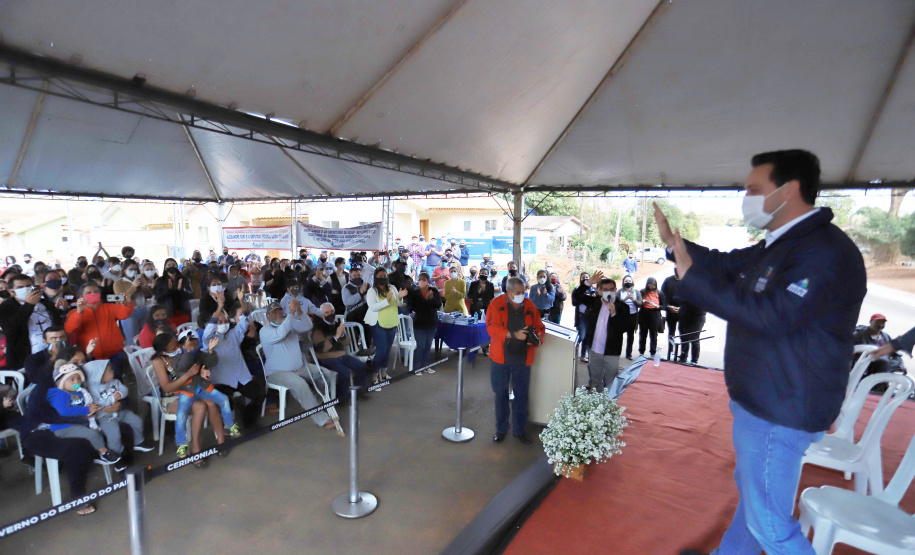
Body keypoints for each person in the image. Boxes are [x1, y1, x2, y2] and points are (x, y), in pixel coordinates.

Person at [662, 150, 867, 555]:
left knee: (771, 526)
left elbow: (772, 315)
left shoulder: (822, 253)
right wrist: (676, 247)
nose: (746, 196)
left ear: (789, 190)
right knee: (755, 500)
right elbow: (725, 265)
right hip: (767, 397)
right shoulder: (783, 244)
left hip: (783, 404)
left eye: (754, 189)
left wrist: (690, 279)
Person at [151, 331, 236, 463]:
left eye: (178, 345)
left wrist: (200, 372)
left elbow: (198, 370)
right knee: (200, 407)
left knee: (212, 404)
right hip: (171, 397)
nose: (178, 349)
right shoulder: (158, 361)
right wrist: (188, 375)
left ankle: (221, 441)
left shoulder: (185, 353)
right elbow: (167, 387)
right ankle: (196, 449)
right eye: (173, 348)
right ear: (163, 352)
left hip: (191, 390)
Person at [259, 301, 341, 434]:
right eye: (275, 312)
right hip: (277, 372)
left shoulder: (289, 324)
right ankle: (321, 418)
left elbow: (307, 325)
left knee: (328, 375)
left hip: (300, 367)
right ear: (268, 316)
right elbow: (281, 333)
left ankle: (318, 403)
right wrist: (291, 313)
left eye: (280, 310)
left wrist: (300, 311)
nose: (279, 313)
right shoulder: (265, 330)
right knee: (301, 385)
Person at [485, 277, 545, 445]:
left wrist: (538, 338)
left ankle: (519, 431)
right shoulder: (496, 304)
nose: (522, 295)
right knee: (500, 394)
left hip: (522, 358)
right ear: (508, 292)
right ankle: (501, 429)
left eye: (523, 291)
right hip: (500, 359)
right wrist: (512, 334)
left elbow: (539, 326)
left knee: (521, 396)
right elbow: (491, 328)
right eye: (518, 292)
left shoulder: (529, 305)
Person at [47, 362, 122, 466]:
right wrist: (86, 410)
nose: (76, 381)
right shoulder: (59, 395)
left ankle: (98, 451)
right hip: (63, 428)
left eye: (78, 378)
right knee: (92, 434)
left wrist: (92, 410)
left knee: (103, 429)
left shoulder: (78, 392)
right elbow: (64, 411)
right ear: (62, 382)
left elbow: (81, 407)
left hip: (77, 423)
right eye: (72, 379)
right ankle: (104, 453)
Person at [203, 306, 266, 426]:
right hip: (221, 381)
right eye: (220, 322)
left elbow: (245, 320)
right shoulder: (209, 339)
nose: (224, 324)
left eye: (226, 321)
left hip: (241, 378)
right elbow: (209, 329)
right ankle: (227, 426)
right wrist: (220, 306)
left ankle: (248, 421)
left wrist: (242, 301)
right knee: (226, 401)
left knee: (259, 393)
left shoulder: (234, 334)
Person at [85, 359, 156, 457]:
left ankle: (138, 441)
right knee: (114, 435)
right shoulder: (92, 390)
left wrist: (121, 394)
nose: (113, 372)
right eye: (109, 371)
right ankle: (116, 454)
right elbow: (96, 403)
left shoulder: (115, 382)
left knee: (137, 421)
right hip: (105, 417)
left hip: (120, 412)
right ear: (99, 375)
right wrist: (110, 400)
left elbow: (124, 389)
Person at [0, 273, 66, 369]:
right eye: (20, 287)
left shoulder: (45, 303)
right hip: (25, 358)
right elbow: (11, 330)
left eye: (28, 286)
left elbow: (56, 322)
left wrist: (61, 310)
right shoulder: (6, 307)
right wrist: (28, 305)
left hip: (53, 351)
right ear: (11, 291)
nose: (25, 289)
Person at [581, 272, 628, 392]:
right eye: (605, 289)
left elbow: (627, 327)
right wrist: (588, 283)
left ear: (616, 290)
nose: (609, 292)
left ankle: (608, 405)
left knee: (611, 381)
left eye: (612, 289)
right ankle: (596, 405)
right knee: (595, 380)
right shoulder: (593, 302)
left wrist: (614, 314)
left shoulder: (622, 307)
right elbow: (576, 298)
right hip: (594, 350)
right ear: (599, 291)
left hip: (612, 351)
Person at [311, 303, 369, 398]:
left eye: (332, 311)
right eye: (327, 312)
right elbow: (323, 349)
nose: (330, 314)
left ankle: (359, 391)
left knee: (361, 366)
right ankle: (341, 397)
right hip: (326, 358)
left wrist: (342, 335)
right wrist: (336, 336)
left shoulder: (337, 325)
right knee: (344, 371)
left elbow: (347, 343)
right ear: (322, 315)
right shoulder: (318, 328)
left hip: (341, 355)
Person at [65, 282, 135, 360]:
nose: (93, 294)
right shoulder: (74, 313)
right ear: (81, 297)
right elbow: (70, 329)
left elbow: (124, 314)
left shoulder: (108, 308)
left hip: (116, 354)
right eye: (89, 293)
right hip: (90, 356)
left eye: (96, 292)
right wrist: (79, 312)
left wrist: (127, 304)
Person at [365, 267, 406, 383]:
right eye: (381, 276)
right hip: (378, 323)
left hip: (392, 322)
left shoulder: (392, 288)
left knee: (388, 350)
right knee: (381, 350)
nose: (383, 278)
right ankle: (374, 376)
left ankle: (383, 374)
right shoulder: (372, 291)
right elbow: (372, 307)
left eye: (385, 276)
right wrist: (386, 300)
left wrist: (400, 297)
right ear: (375, 277)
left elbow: (398, 304)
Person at [407, 272, 443, 373]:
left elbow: (438, 304)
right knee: (421, 346)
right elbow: (414, 307)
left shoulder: (434, 291)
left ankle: (426, 366)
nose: (421, 281)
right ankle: (417, 367)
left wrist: (430, 300)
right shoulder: (415, 293)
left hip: (431, 322)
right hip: (420, 323)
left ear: (427, 281)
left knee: (428, 346)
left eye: (424, 279)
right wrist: (426, 300)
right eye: (420, 279)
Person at [637, 277, 666, 358]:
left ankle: (652, 352)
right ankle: (641, 351)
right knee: (643, 334)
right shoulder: (643, 292)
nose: (651, 287)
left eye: (653, 286)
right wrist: (643, 302)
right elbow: (638, 302)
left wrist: (656, 306)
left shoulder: (660, 293)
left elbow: (664, 306)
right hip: (644, 314)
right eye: (650, 285)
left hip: (654, 315)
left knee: (653, 335)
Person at [571, 272, 593, 363]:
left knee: (587, 337)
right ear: (580, 279)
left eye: (587, 277)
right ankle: (572, 349)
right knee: (581, 336)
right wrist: (583, 299)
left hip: (590, 317)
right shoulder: (577, 290)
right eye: (583, 277)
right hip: (580, 317)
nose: (585, 279)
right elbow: (574, 303)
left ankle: (583, 355)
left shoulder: (593, 290)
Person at [617, 275, 641, 360]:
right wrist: (625, 299)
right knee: (619, 336)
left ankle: (628, 354)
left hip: (633, 316)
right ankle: (617, 352)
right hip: (622, 317)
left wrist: (634, 299)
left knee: (630, 336)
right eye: (626, 281)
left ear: (632, 282)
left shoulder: (636, 292)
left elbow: (640, 304)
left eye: (629, 281)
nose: (628, 282)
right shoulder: (620, 292)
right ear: (623, 282)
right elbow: (616, 304)